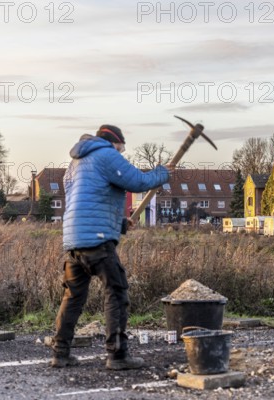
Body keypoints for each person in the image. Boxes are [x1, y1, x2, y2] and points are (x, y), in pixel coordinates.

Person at [51, 124, 172, 369]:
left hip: (74, 241)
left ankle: (60, 353)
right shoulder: (106, 154)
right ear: (113, 142)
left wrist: (119, 222)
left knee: (72, 297)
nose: (122, 153)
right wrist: (162, 173)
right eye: (121, 148)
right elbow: (138, 181)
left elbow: (91, 200)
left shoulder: (75, 164)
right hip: (97, 241)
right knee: (116, 293)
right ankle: (117, 355)